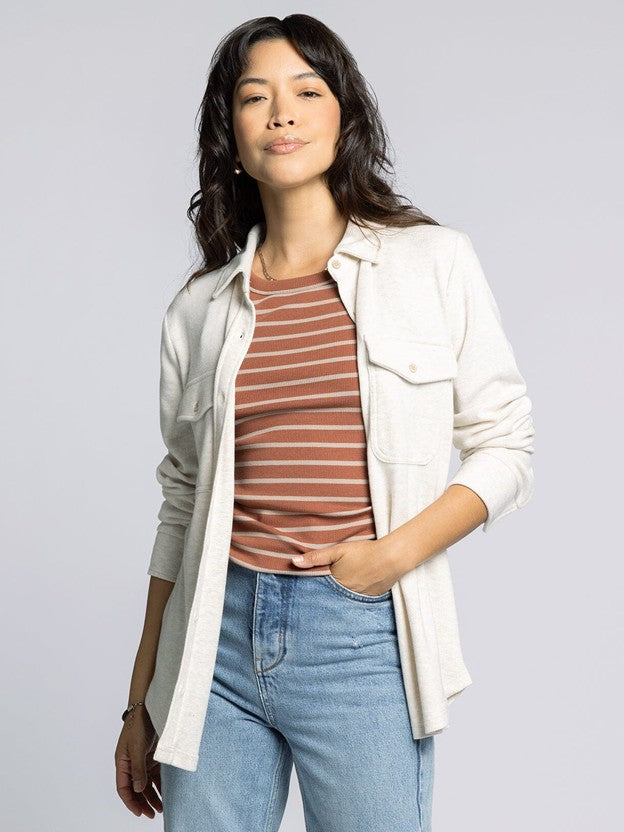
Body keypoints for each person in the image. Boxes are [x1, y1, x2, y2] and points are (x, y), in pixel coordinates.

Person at [114, 14, 535, 832]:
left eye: (307, 91)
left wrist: (386, 560)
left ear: (345, 118)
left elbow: (506, 445)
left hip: (362, 636)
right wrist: (141, 700)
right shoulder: (198, 310)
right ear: (233, 138)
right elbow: (182, 503)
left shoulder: (431, 261)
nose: (282, 113)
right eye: (255, 97)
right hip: (214, 639)